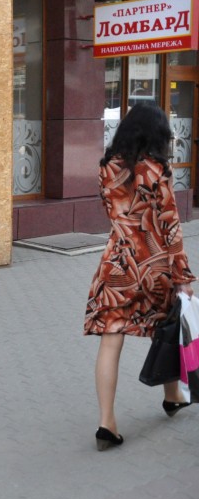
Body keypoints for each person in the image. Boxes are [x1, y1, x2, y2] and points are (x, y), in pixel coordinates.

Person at [84, 101, 194, 451]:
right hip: (152, 265)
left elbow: (114, 216)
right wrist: (184, 274)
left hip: (115, 264)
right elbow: (170, 226)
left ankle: (106, 421)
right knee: (167, 327)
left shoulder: (107, 168)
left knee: (111, 337)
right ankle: (173, 394)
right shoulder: (156, 170)